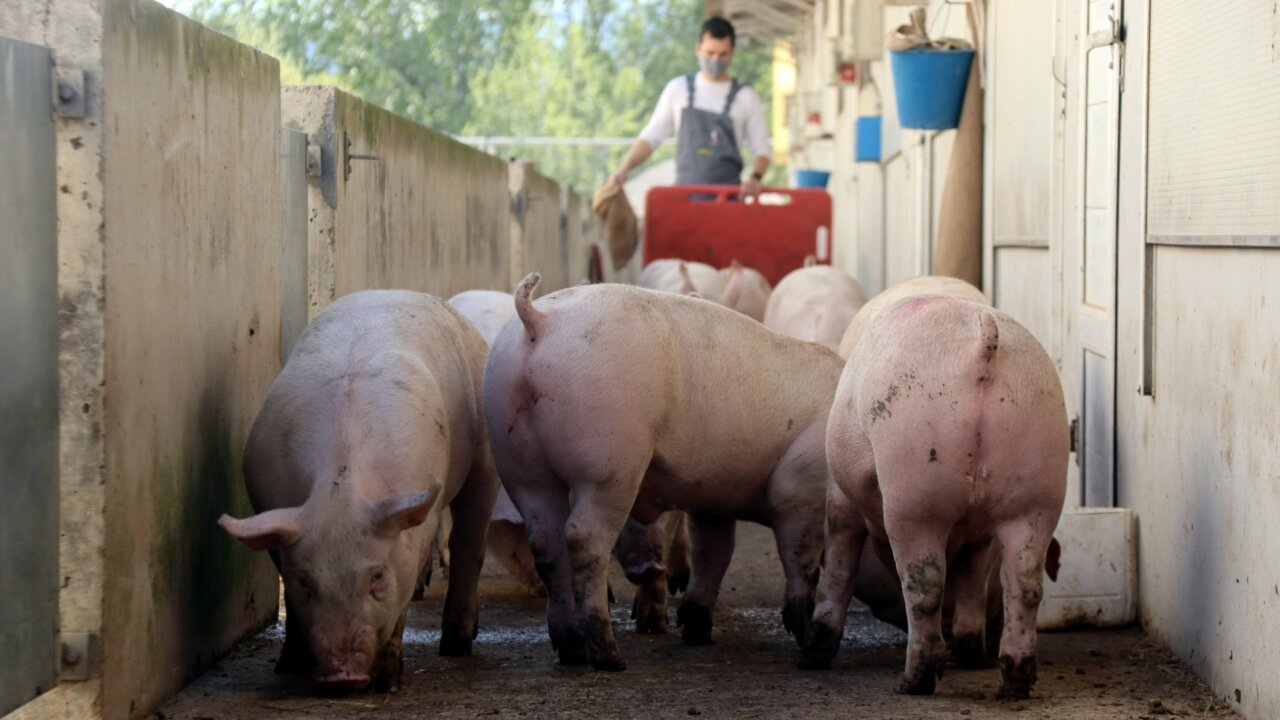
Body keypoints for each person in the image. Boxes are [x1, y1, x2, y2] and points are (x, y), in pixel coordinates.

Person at [608, 17, 771, 198]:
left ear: (732, 53)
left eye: (723, 54)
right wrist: (624, 168)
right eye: (710, 53)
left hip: (728, 201)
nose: (715, 60)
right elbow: (651, 137)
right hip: (684, 199)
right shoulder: (678, 89)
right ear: (698, 49)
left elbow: (762, 149)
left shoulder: (746, 96)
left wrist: (755, 178)